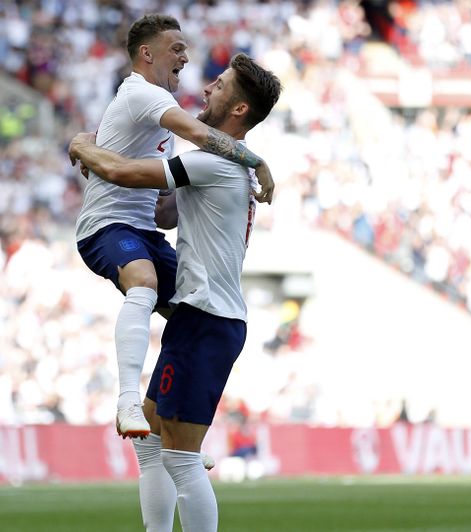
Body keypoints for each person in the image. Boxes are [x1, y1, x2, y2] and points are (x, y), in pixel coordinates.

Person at [71, 52, 282, 532]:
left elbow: (124, 174)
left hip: (207, 319)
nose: (208, 89)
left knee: (182, 459)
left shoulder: (216, 163)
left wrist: (84, 146)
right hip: (199, 317)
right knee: (150, 444)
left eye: (221, 86)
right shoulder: (224, 167)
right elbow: (165, 214)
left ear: (239, 110)